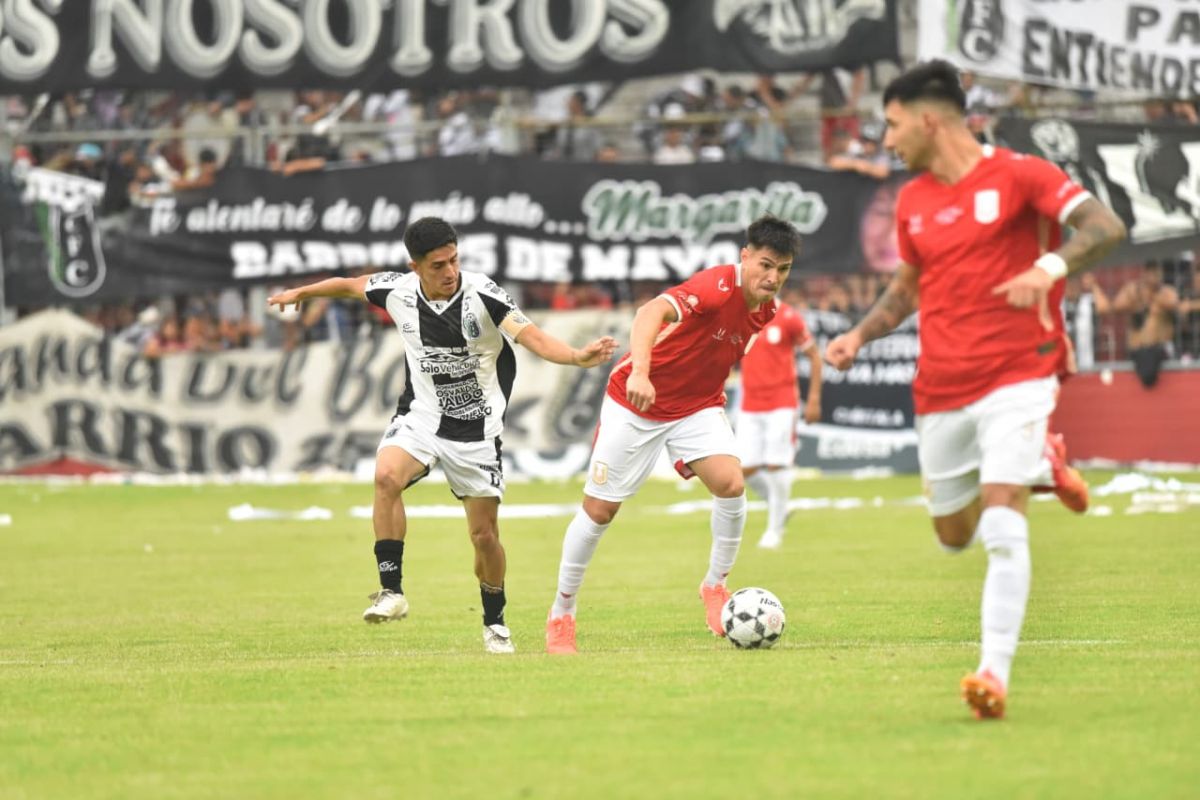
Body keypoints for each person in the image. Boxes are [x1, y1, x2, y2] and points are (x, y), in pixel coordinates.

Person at [824, 61, 1127, 720]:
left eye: (893, 124)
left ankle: (994, 672)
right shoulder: (913, 200)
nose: (887, 139)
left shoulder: (1021, 175)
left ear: (929, 120)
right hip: (941, 386)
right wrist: (858, 336)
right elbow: (905, 290)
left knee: (1001, 513)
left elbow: (1105, 226)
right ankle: (1045, 463)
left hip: (1021, 370)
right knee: (953, 536)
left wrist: (1047, 267)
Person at [267, 217, 617, 654]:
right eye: (438, 265)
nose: (450, 271)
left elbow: (533, 337)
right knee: (386, 477)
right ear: (415, 267)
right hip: (422, 418)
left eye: (454, 260)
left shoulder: (483, 294)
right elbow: (349, 285)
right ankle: (391, 591)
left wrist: (577, 357)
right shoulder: (397, 292)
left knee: (484, 537)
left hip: (476, 432)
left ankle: (495, 622)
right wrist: (301, 293)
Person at [545, 215, 802, 654]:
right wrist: (641, 373)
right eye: (765, 265)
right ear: (745, 257)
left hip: (697, 407)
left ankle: (715, 586)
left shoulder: (767, 311)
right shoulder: (716, 286)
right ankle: (562, 612)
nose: (773, 277)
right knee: (600, 512)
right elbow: (650, 312)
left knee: (731, 484)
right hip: (636, 402)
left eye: (783, 269)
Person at [736, 300, 822, 549]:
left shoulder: (788, 317)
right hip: (750, 403)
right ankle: (780, 506)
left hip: (781, 403)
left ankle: (774, 531)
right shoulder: (741, 315)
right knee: (743, 468)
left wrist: (814, 399)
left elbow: (815, 357)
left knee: (777, 463)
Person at [1089, 262, 1180, 387]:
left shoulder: (1166, 293)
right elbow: (1109, 308)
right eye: (1150, 273)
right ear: (1143, 274)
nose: (1153, 277)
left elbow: (1175, 304)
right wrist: (1094, 286)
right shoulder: (1132, 292)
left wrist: (1152, 298)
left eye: (1156, 273)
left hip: (1159, 350)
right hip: (1137, 350)